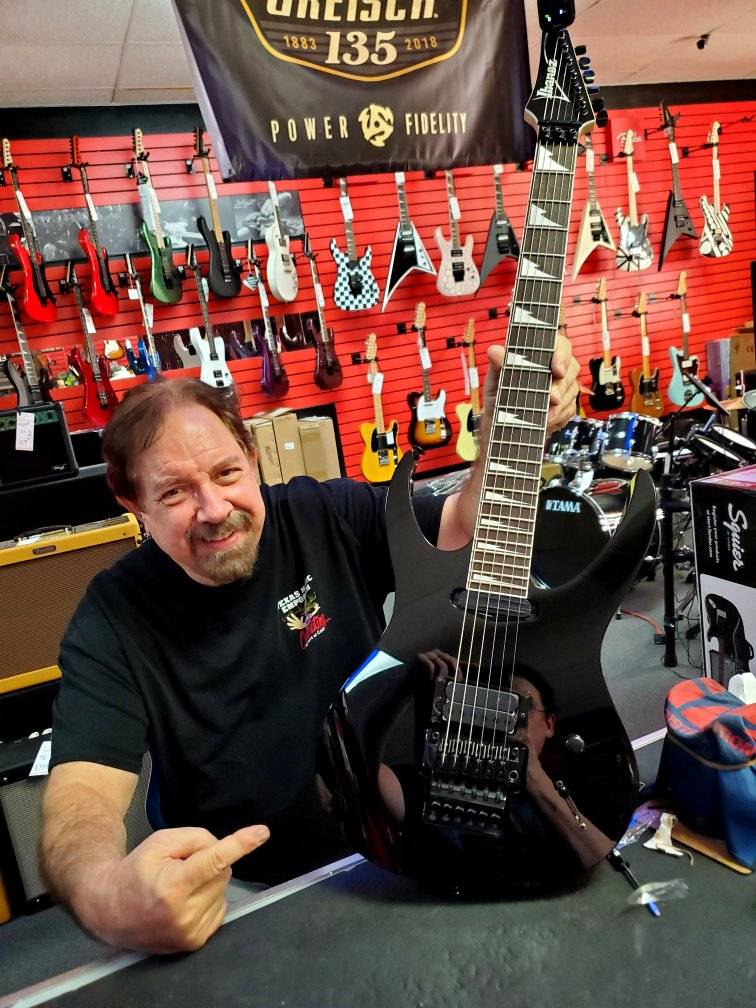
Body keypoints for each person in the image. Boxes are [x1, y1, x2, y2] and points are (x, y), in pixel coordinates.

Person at [40, 338, 580, 955]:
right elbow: (81, 793)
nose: (215, 510)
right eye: (174, 493)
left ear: (252, 455)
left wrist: (511, 446)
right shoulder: (112, 618)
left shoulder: (326, 512)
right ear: (131, 502)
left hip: (404, 838)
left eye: (226, 473)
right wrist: (108, 897)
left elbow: (465, 528)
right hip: (242, 893)